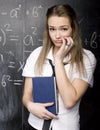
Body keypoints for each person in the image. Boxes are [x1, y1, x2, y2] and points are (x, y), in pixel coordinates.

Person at [22, 4, 97, 130]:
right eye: (52, 29)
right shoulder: (36, 54)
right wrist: (30, 106)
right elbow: (26, 95)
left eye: (63, 29)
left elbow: (69, 101)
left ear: (73, 28)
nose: (57, 36)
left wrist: (58, 59)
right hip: (34, 125)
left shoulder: (87, 58)